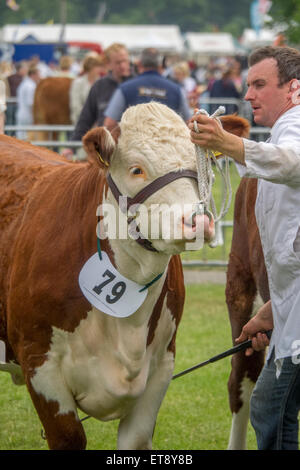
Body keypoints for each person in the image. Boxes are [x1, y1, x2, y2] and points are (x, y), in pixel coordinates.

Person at [189, 46, 300, 450]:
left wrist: (230, 144)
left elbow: (292, 162)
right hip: (292, 309)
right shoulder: (283, 132)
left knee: (271, 407)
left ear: (294, 90)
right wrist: (268, 314)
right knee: (274, 408)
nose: (248, 95)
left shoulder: (297, 127)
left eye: (259, 84)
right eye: (247, 85)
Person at [62, 43, 132, 159]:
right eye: (118, 62)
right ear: (108, 64)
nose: (123, 66)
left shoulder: (137, 85)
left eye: (125, 61)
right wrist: (71, 146)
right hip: (106, 152)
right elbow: (86, 118)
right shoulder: (99, 86)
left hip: (131, 153)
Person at [103, 47, 192, 131]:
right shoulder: (176, 90)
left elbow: (110, 124)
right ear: (160, 65)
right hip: (169, 146)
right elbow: (189, 123)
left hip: (136, 146)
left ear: (140, 64)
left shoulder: (125, 89)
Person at [69, 54, 106, 125]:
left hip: (98, 125)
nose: (100, 69)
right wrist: (90, 119)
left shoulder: (102, 83)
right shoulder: (78, 83)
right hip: (81, 124)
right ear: (90, 67)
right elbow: (75, 105)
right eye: (97, 66)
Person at [16, 65, 41, 140]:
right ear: (33, 75)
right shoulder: (31, 86)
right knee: (27, 139)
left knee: (21, 138)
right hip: (28, 116)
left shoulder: (24, 83)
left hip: (22, 113)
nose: (39, 77)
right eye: (38, 74)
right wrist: (35, 117)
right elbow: (31, 103)